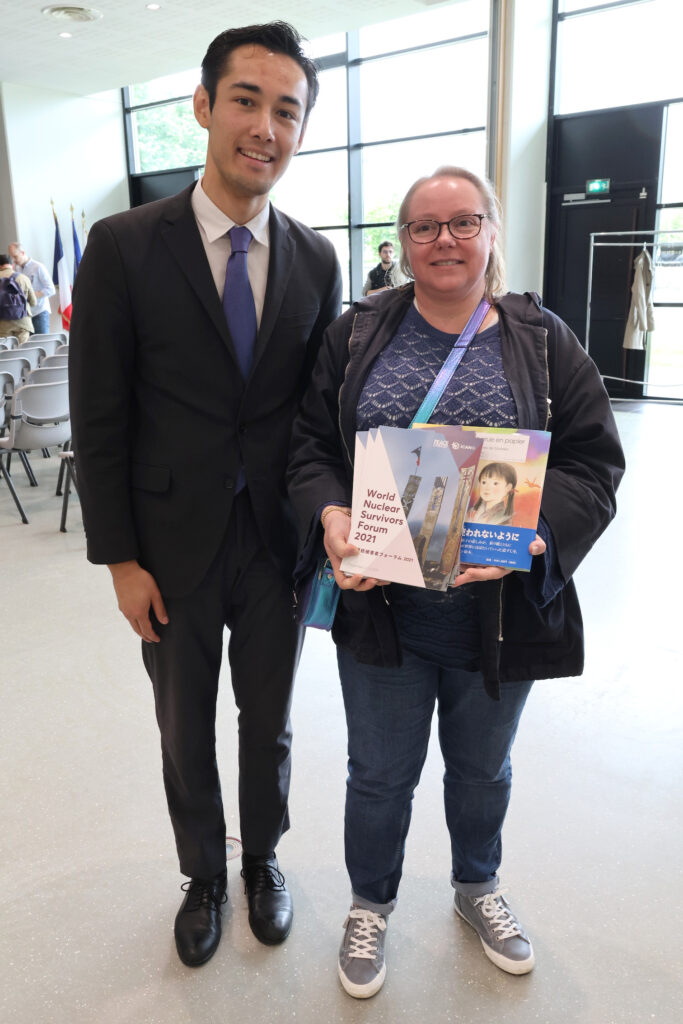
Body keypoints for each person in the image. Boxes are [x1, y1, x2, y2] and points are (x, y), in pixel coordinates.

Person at [287, 166, 624, 998]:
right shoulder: (358, 332)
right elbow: (309, 449)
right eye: (424, 227)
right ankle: (370, 903)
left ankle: (476, 886)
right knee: (377, 773)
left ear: (490, 232)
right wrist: (331, 515)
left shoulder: (541, 340)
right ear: (400, 242)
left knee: (482, 770)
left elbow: (594, 463)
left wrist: (536, 539)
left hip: (495, 613)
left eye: (462, 223)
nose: (444, 240)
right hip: (382, 611)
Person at [69, 21, 342, 969]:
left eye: (287, 110)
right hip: (167, 545)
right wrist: (118, 561)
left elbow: (319, 417)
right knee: (183, 725)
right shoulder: (123, 246)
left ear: (299, 130)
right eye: (246, 101)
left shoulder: (316, 261)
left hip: (274, 545)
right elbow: (97, 414)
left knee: (268, 723)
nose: (265, 126)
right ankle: (200, 872)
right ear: (202, 107)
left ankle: (262, 859)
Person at [7, 243, 55, 335]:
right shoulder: (16, 269)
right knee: (30, 346)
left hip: (40, 312)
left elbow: (51, 289)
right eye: (11, 257)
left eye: (15, 256)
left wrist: (31, 295)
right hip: (25, 315)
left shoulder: (38, 267)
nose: (13, 260)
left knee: (42, 344)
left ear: (23, 252)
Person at [0, 254, 37, 344]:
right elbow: (33, 302)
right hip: (23, 321)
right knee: (22, 351)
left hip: (3, 322)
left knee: (6, 353)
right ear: (12, 265)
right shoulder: (23, 278)